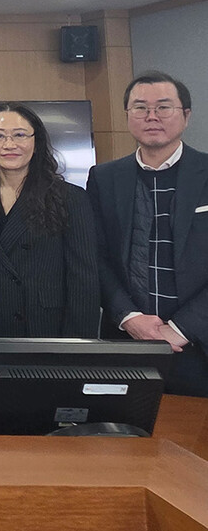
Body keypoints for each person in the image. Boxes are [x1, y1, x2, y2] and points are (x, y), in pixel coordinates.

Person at [87, 71, 208, 397]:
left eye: (163, 107)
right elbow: (95, 256)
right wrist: (128, 316)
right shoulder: (104, 178)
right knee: (122, 425)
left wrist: (182, 328)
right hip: (126, 341)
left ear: (186, 115)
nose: (151, 116)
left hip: (198, 344)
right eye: (140, 108)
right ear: (127, 115)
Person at [0, 102, 98, 338]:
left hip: (46, 329)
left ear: (36, 142)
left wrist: (77, 346)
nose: (9, 145)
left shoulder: (70, 197)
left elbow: (84, 281)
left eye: (20, 135)